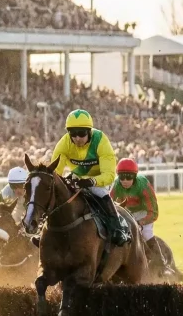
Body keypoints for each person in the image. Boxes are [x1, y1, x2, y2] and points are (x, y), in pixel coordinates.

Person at [49, 109, 128, 246]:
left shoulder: (101, 140)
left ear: (89, 132)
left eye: (81, 133)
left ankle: (118, 228)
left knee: (100, 192)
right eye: (73, 133)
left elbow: (109, 175)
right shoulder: (64, 143)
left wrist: (91, 181)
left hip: (99, 179)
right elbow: (55, 172)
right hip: (77, 177)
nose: (77, 138)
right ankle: (45, 231)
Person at [111, 158, 174, 277]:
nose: (124, 180)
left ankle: (163, 266)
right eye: (121, 177)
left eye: (128, 177)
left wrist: (141, 222)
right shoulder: (116, 185)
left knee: (146, 232)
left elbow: (154, 212)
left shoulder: (144, 186)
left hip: (144, 212)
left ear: (134, 176)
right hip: (126, 212)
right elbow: (109, 205)